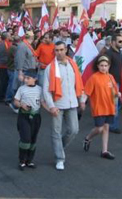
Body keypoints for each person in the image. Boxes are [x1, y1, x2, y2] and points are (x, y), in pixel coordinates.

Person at [42, 41, 84, 171]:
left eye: (61, 50)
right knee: (56, 132)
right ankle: (59, 158)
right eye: (56, 50)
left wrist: (82, 99)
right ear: (54, 51)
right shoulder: (50, 68)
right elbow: (46, 90)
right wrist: (51, 106)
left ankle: (59, 147)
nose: (59, 52)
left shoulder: (73, 64)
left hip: (72, 103)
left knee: (74, 130)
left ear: (66, 49)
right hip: (57, 104)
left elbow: (79, 83)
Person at [82, 56, 120, 160]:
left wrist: (118, 94)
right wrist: (82, 102)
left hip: (109, 106)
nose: (103, 68)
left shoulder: (110, 77)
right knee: (99, 128)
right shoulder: (94, 77)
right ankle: (88, 138)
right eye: (101, 65)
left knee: (106, 127)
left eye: (105, 66)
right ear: (98, 66)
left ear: (109, 66)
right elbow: (87, 92)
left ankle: (104, 151)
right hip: (99, 107)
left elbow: (114, 92)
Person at [13, 69, 42, 170]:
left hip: (36, 117)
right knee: (26, 138)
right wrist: (21, 105)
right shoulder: (22, 89)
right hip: (24, 116)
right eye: (25, 78)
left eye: (28, 78)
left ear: (35, 79)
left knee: (33, 139)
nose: (25, 80)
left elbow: (43, 102)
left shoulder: (39, 89)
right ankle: (22, 160)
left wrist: (52, 110)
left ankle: (29, 160)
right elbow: (16, 101)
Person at [0, 32, 11, 102]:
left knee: (2, 81)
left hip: (1, 64)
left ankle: (1, 96)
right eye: (10, 35)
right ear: (7, 37)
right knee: (4, 82)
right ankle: (2, 96)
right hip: (6, 65)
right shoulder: (8, 44)